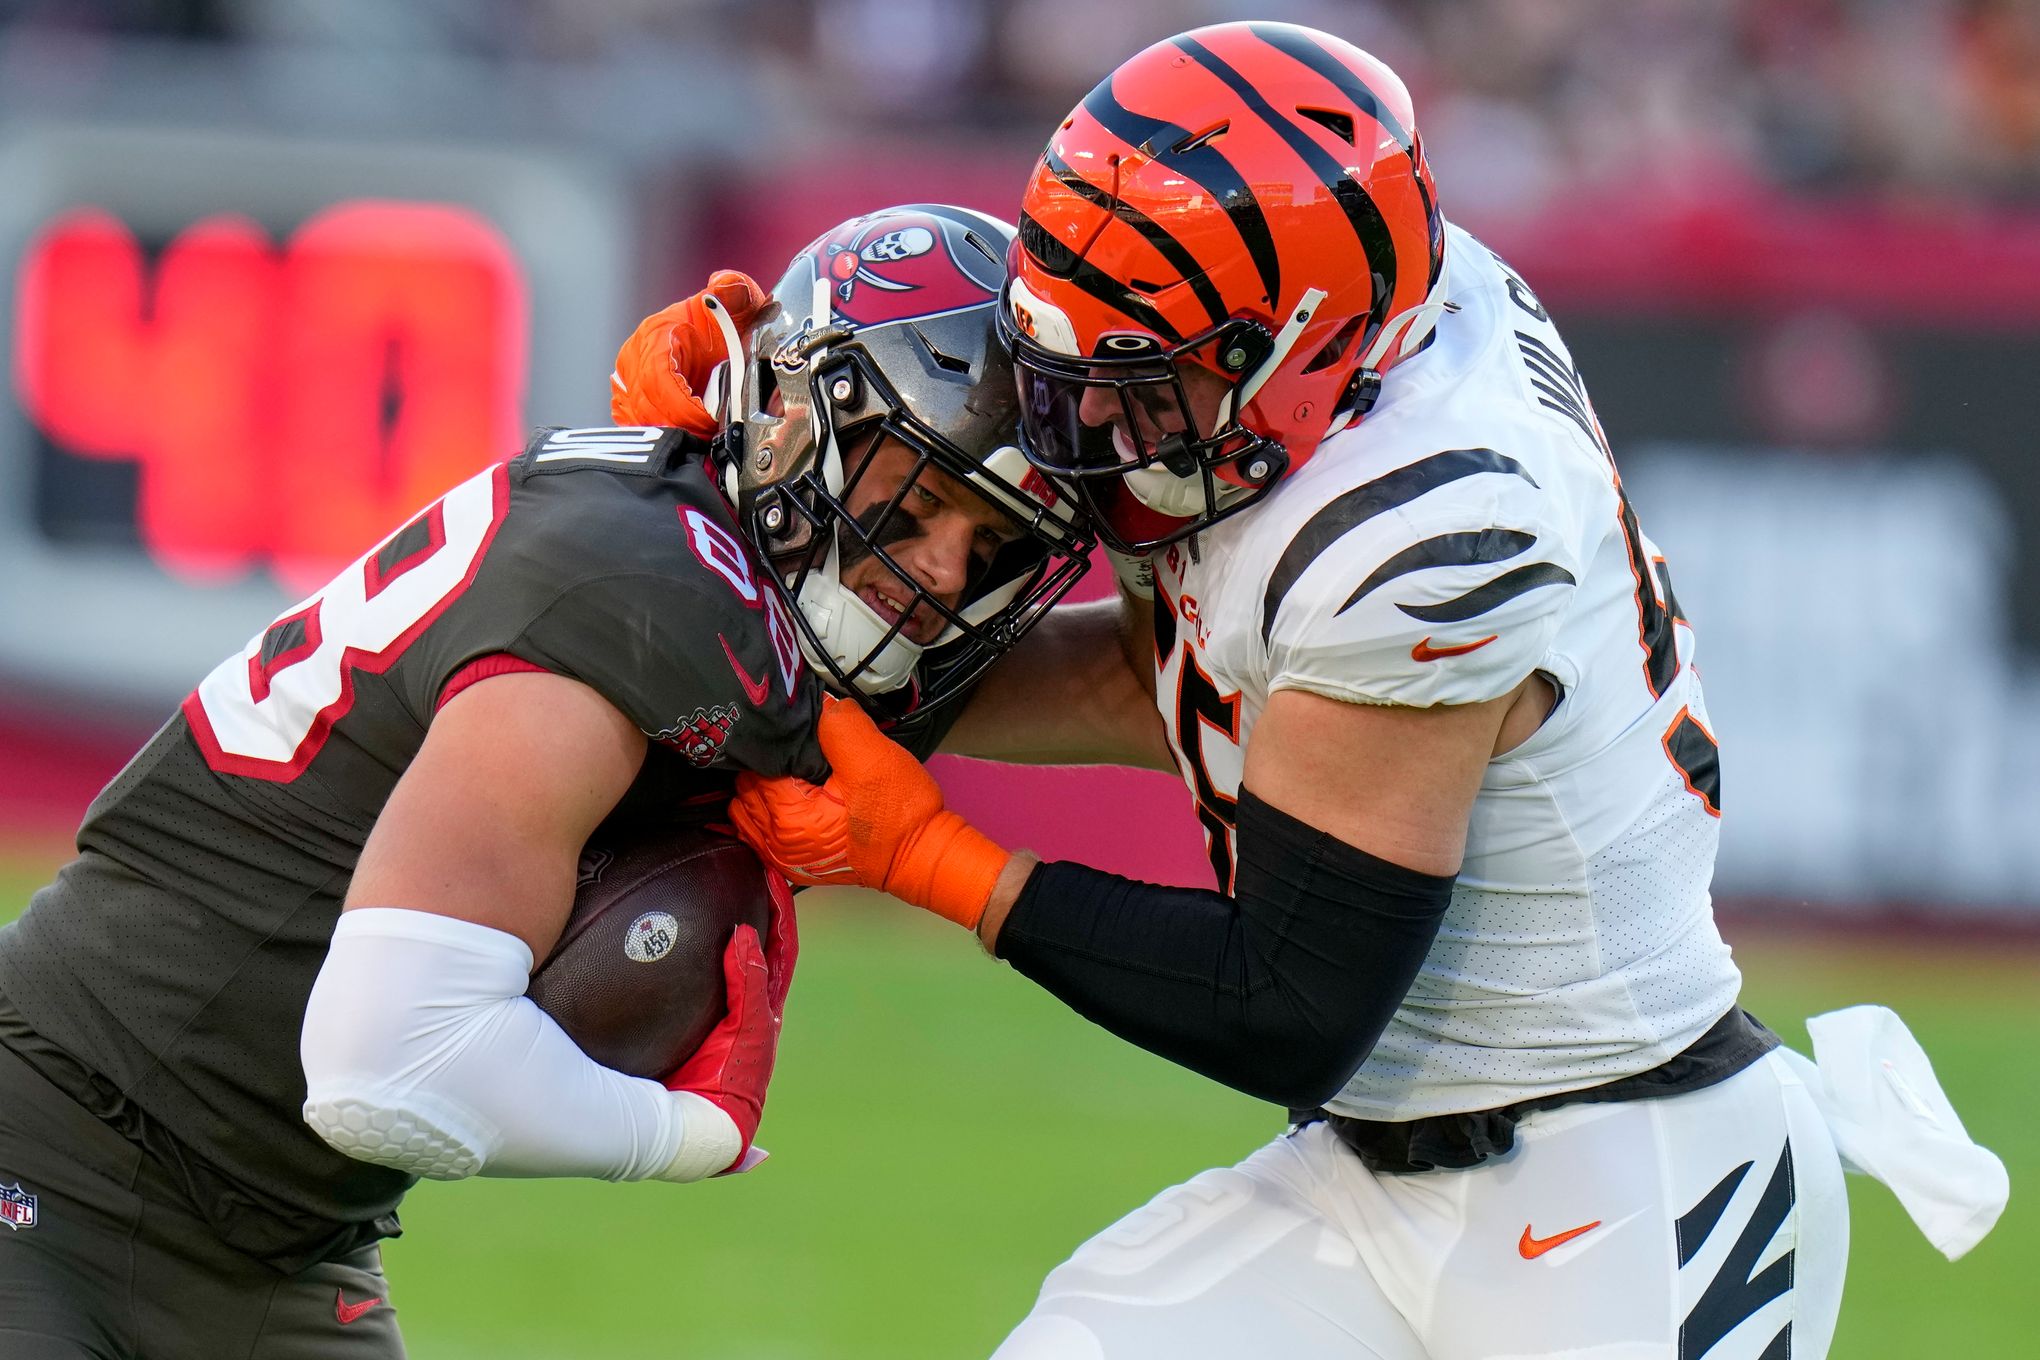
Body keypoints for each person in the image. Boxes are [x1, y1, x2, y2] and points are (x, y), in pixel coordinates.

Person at [722, 25, 2005, 1358]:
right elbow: (1167, 678)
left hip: (1629, 1181)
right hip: (1366, 1172)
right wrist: (756, 632)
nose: (1095, 429)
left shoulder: (1425, 518)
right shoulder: (1354, 341)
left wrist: (923, 854)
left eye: (1147, 382)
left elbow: (1287, 1004)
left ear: (1307, 350)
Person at [0, 202, 1087, 1359]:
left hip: (288, 1240)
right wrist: (692, 1134)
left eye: (997, 545)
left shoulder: (762, 595)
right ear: (793, 424)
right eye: (911, 502)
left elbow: (1137, 682)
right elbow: (386, 1064)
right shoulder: (645, 589)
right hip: (57, 1135)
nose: (938, 570)